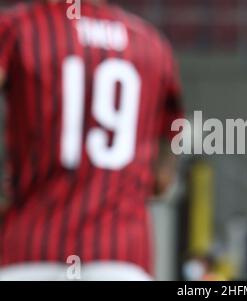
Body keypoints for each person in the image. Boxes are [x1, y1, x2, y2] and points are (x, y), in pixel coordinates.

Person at [0, 0, 183, 280]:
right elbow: (162, 178)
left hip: (31, 249)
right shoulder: (150, 43)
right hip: (121, 254)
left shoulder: (18, 28)